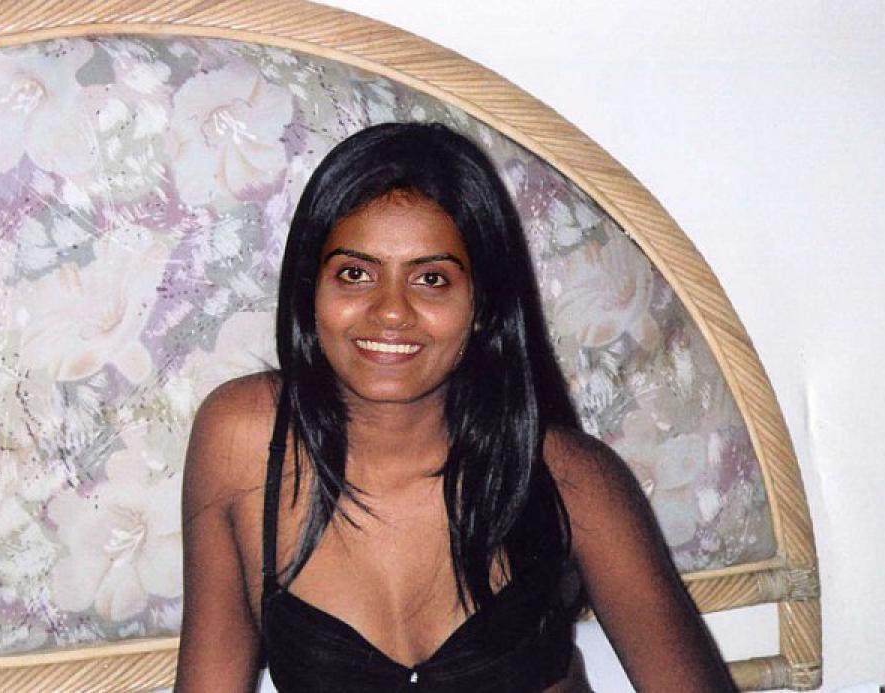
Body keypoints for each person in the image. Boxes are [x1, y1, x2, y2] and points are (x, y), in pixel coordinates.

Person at [175, 122, 737, 692]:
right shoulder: (242, 441)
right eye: (355, 273)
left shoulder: (572, 481)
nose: (390, 311)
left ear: (483, 304)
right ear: (310, 289)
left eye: (431, 279)